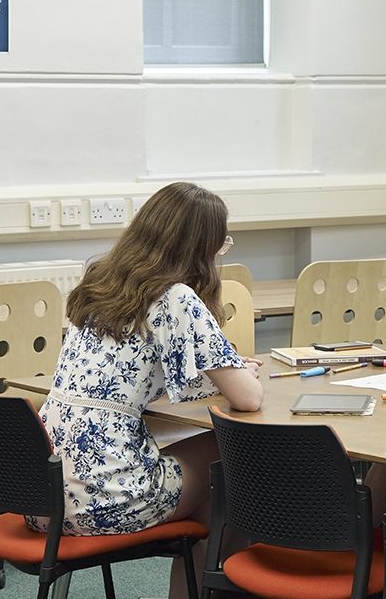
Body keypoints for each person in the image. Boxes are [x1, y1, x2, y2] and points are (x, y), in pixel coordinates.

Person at [29, 182, 264, 599]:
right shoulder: (176, 297)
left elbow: (127, 377)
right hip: (103, 497)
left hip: (39, 494)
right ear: (201, 247)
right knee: (232, 457)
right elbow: (248, 399)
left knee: (213, 504)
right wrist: (236, 373)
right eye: (220, 245)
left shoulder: (101, 282)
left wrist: (219, 372)